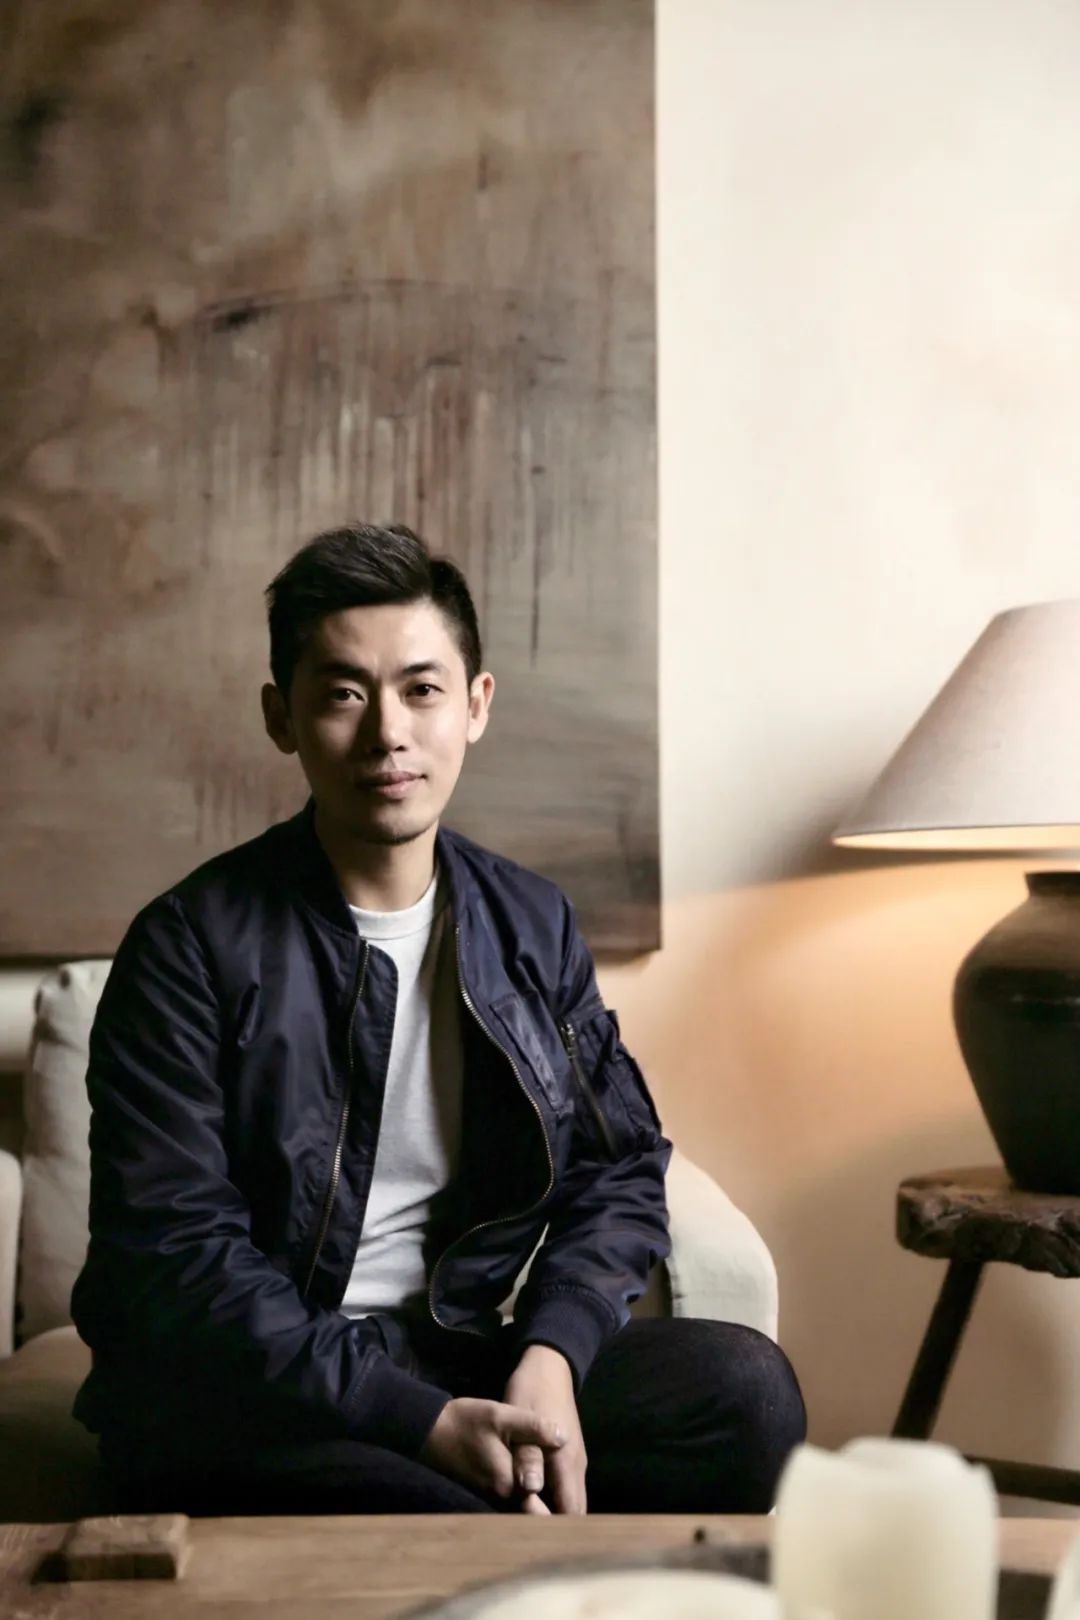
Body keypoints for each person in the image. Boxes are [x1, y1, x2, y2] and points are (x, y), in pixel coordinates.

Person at [71, 521, 805, 1515]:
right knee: (456, 1509)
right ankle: (486, 1516)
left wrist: (552, 1356)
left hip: (448, 1346)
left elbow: (620, 1165)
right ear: (281, 716)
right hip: (248, 1384)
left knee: (747, 1396)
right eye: (343, 693)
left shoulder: (529, 922)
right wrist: (419, 1420)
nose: (388, 733)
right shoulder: (188, 944)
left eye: (421, 689)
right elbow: (177, 1257)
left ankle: (507, 1506)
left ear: (476, 705)